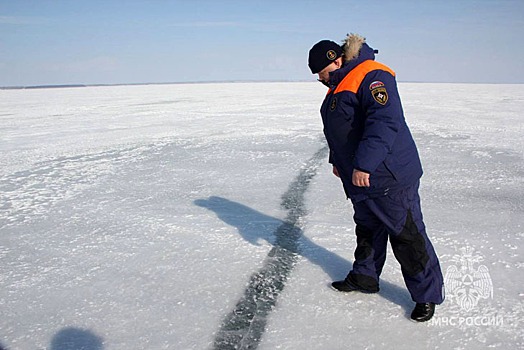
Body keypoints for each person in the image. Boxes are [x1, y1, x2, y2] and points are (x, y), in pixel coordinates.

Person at [308, 34, 444, 322]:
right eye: (319, 78)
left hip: (388, 176)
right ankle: (365, 277)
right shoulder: (340, 83)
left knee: (407, 235)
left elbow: (384, 122)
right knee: (368, 230)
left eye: (324, 74)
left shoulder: (372, 75)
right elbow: (342, 131)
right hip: (361, 180)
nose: (322, 81)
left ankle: (426, 295)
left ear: (337, 59)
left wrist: (364, 165)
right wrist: (338, 162)